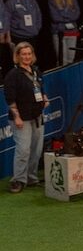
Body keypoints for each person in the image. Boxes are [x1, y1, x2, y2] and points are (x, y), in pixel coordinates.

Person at [4, 41, 48, 193]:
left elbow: (40, 89)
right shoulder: (13, 75)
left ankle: (31, 178)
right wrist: (16, 117)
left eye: (29, 54)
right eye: (23, 54)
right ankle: (18, 180)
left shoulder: (36, 70)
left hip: (37, 115)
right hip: (22, 118)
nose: (27, 57)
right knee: (23, 150)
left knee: (36, 150)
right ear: (18, 56)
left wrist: (44, 99)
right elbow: (10, 99)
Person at [49, 0, 81, 67]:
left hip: (72, 32)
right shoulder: (52, 1)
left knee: (71, 60)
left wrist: (63, 15)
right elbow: (55, 17)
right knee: (62, 60)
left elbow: (76, 14)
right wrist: (69, 16)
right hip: (59, 33)